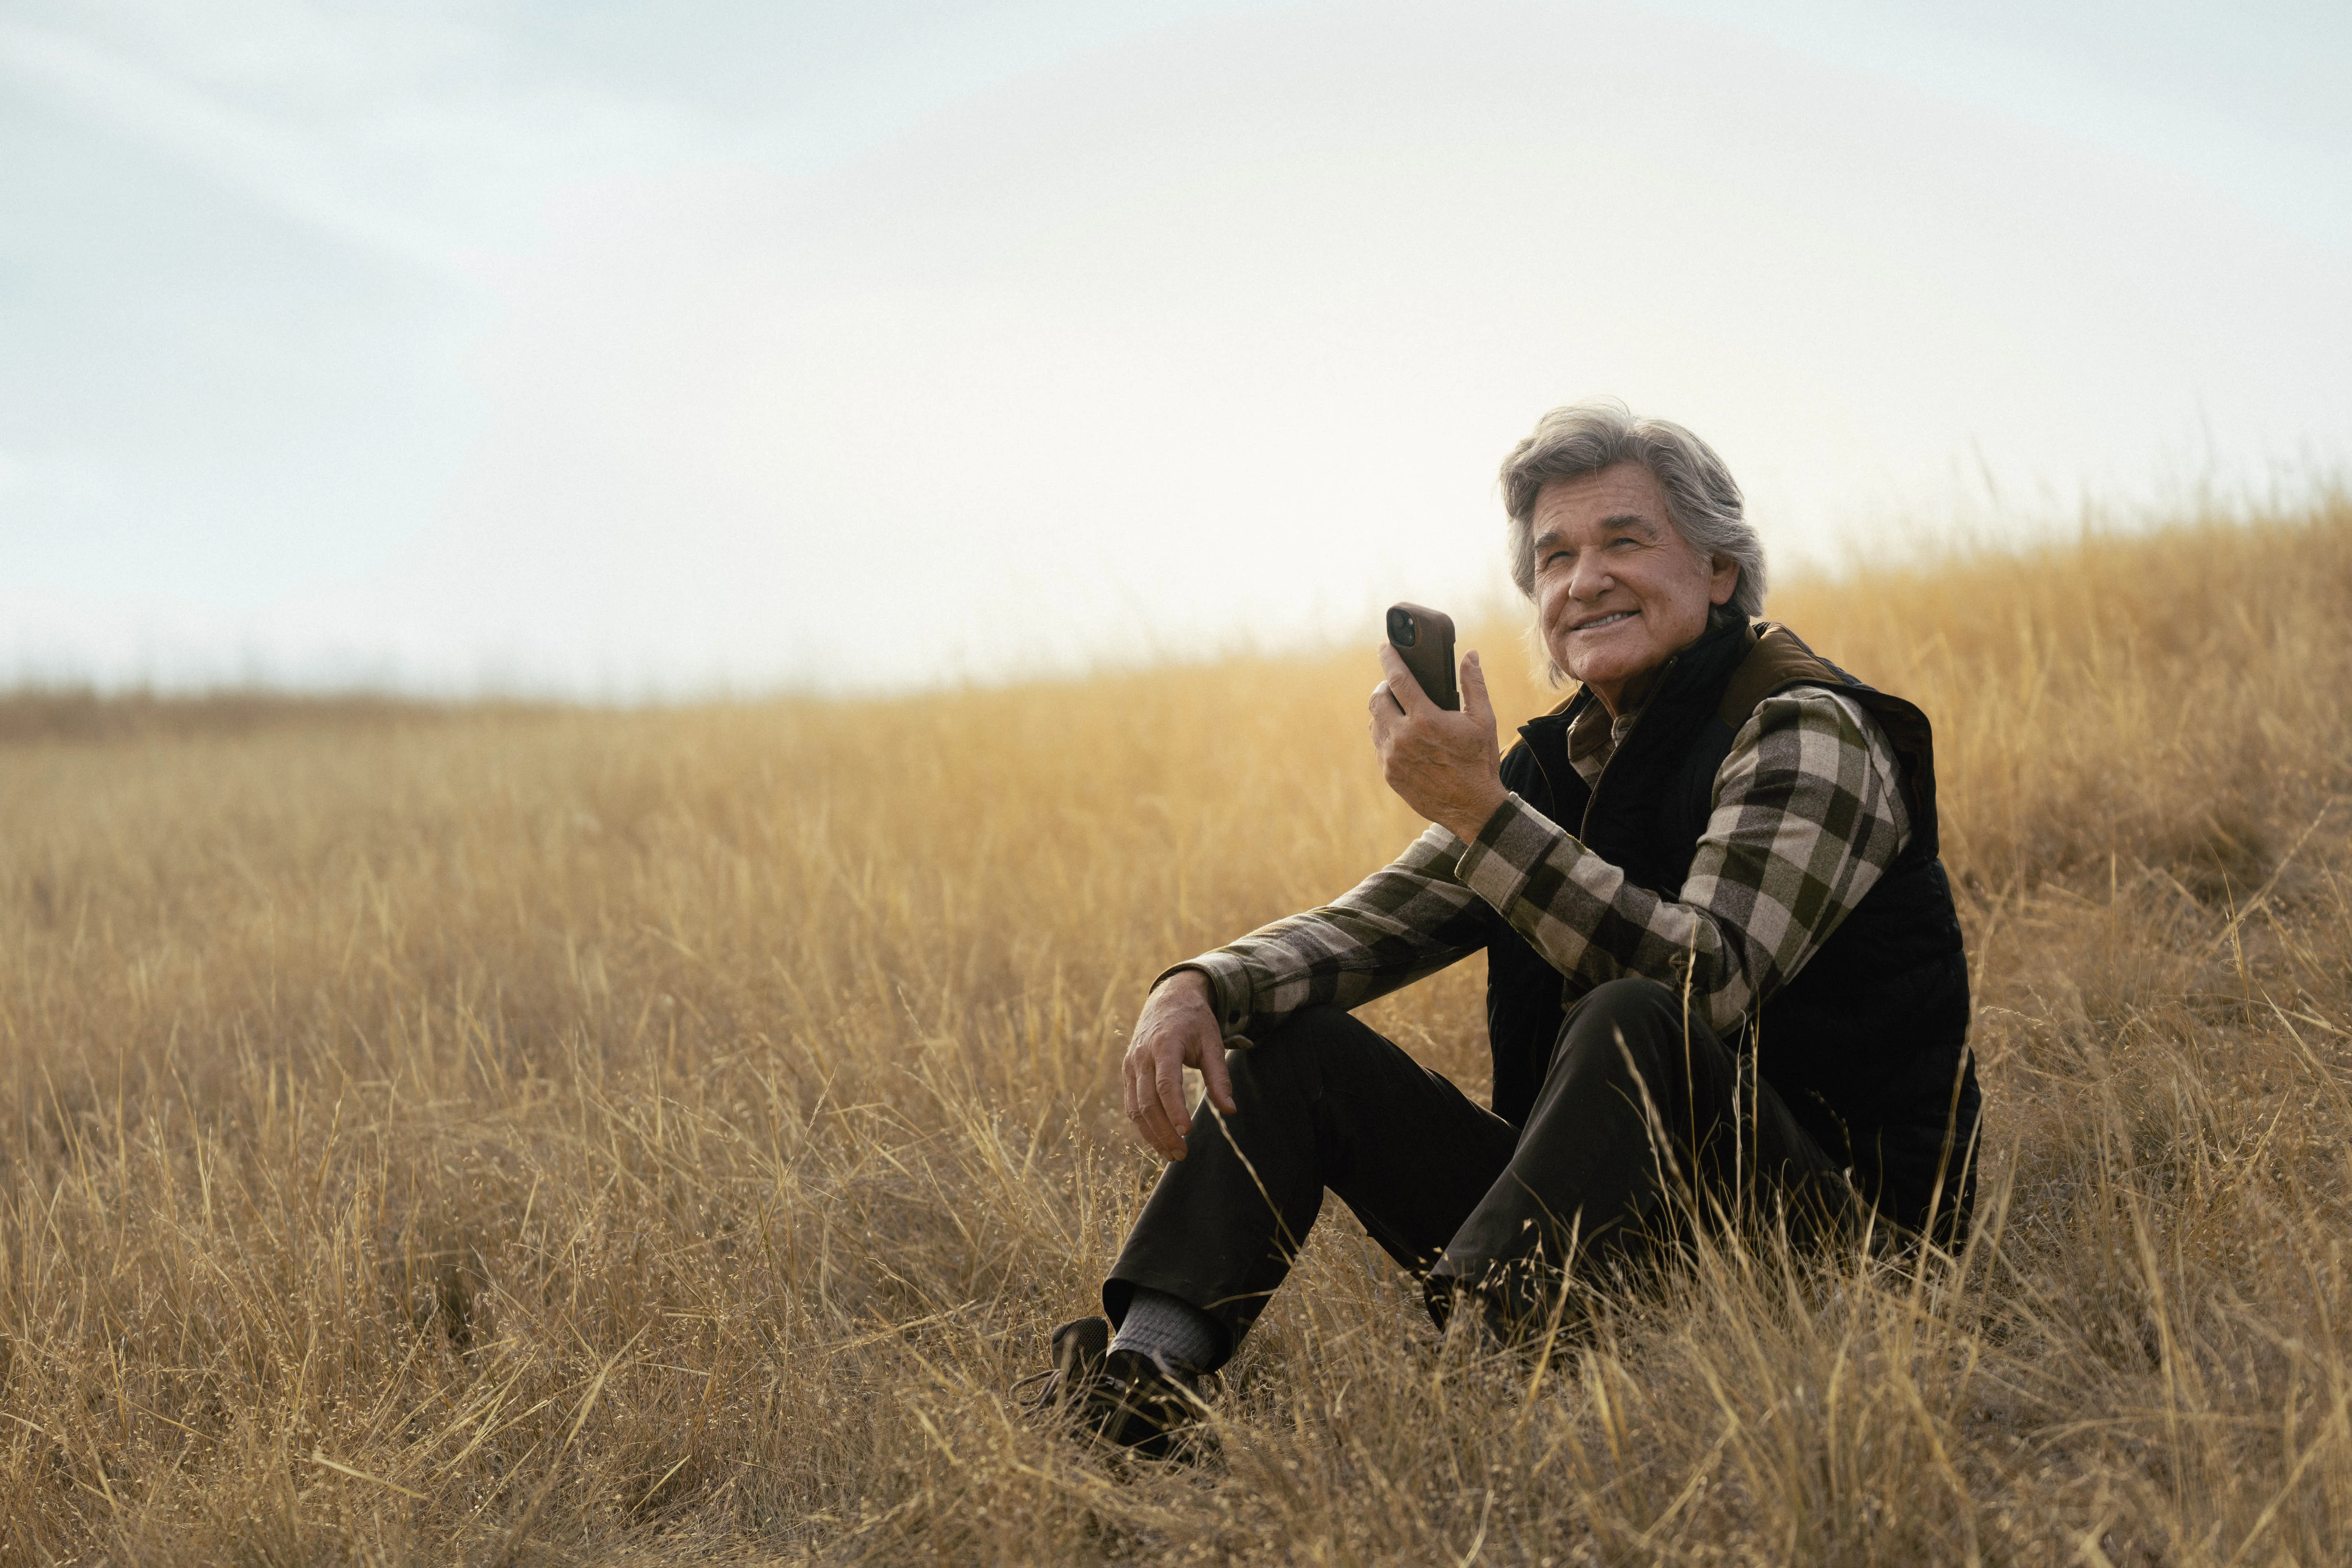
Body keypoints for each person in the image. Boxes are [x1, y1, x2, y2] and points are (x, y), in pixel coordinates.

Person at [1024, 399, 1980, 1456]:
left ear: (1717, 570)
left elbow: (1706, 985)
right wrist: (1201, 983)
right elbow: (1375, 927)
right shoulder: (1555, 763)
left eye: (1625, 540)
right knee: (1297, 1046)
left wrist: (1480, 811)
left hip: (1838, 1251)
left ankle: (1481, 1371)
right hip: (1607, 1226)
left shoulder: (1805, 725)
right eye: (1555, 558)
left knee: (1637, 1016)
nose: (1585, 579)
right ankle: (1144, 1382)